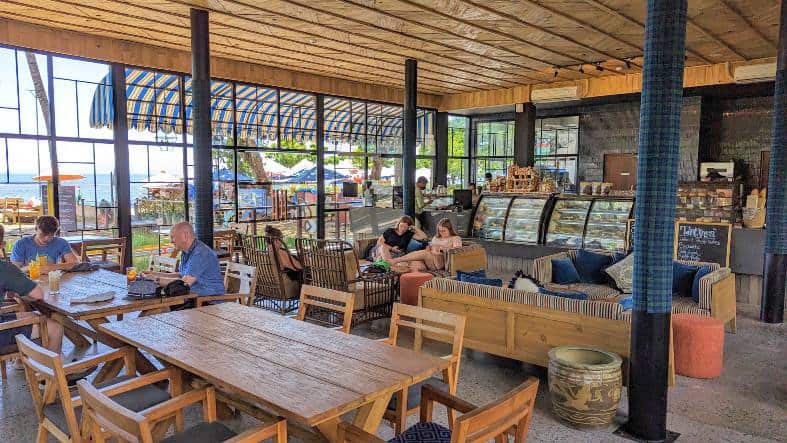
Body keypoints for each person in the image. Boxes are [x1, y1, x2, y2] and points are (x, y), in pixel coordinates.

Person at [142, 222, 224, 296]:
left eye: (173, 237)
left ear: (185, 235)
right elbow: (180, 275)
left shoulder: (200, 254)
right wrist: (152, 274)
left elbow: (182, 284)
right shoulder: (186, 252)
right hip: (192, 296)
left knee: (160, 307)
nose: (171, 241)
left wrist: (156, 279)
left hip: (207, 301)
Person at [1, 259, 64, 355]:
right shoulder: (4, 268)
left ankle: (22, 362)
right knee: (55, 328)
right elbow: (38, 294)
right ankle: (50, 368)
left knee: (35, 315)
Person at [387, 218, 463, 272]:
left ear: (450, 229)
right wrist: (429, 247)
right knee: (413, 264)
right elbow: (430, 246)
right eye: (440, 231)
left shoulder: (455, 238)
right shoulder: (436, 237)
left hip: (441, 262)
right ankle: (409, 286)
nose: (441, 233)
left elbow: (458, 251)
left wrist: (443, 248)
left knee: (425, 253)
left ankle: (396, 260)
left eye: (444, 231)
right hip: (429, 260)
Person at [10, 216, 80, 272]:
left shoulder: (61, 242)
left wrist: (53, 267)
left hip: (51, 279)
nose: (46, 239)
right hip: (27, 281)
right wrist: (33, 268)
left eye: (51, 235)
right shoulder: (21, 244)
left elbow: (75, 263)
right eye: (43, 234)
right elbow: (15, 270)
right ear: (36, 229)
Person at [264, 225, 302, 299]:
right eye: (282, 238)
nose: (282, 241)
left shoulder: (263, 253)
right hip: (284, 289)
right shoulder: (280, 252)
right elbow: (298, 267)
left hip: (267, 288)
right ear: (276, 240)